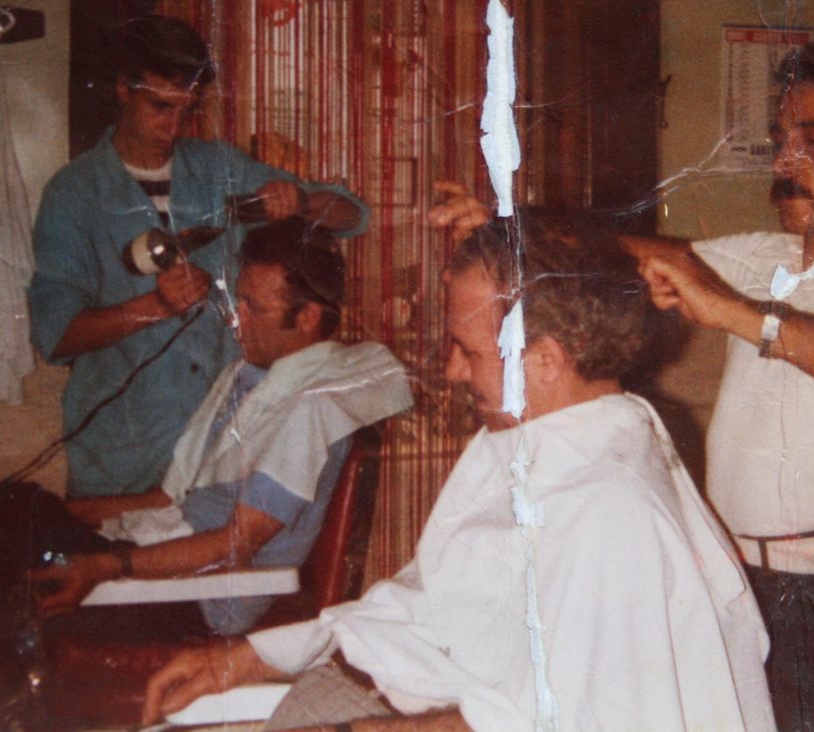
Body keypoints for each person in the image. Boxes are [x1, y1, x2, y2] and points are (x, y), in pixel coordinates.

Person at [430, 36, 814, 730]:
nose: (785, 162)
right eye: (781, 140)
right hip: (737, 577)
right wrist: (514, 230)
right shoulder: (765, 257)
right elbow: (626, 254)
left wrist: (741, 314)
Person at [142, 211, 775, 732]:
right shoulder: (528, 436)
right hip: (376, 690)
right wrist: (248, 658)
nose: (451, 371)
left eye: (468, 351)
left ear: (545, 359)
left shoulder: (611, 508)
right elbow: (433, 599)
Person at [29, 15, 370, 498]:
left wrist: (300, 200)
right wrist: (154, 307)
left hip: (219, 439)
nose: (173, 128)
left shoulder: (217, 168)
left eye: (186, 111)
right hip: (124, 453)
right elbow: (54, 335)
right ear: (124, 88)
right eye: (160, 107)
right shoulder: (73, 194)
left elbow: (353, 215)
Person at [17, 219, 411, 636]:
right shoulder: (248, 377)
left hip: (202, 601)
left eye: (254, 308)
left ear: (308, 316)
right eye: (238, 302)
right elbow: (168, 497)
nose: (236, 320)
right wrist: (71, 514)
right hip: (160, 552)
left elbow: (235, 545)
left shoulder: (309, 410)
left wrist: (106, 565)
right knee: (19, 508)